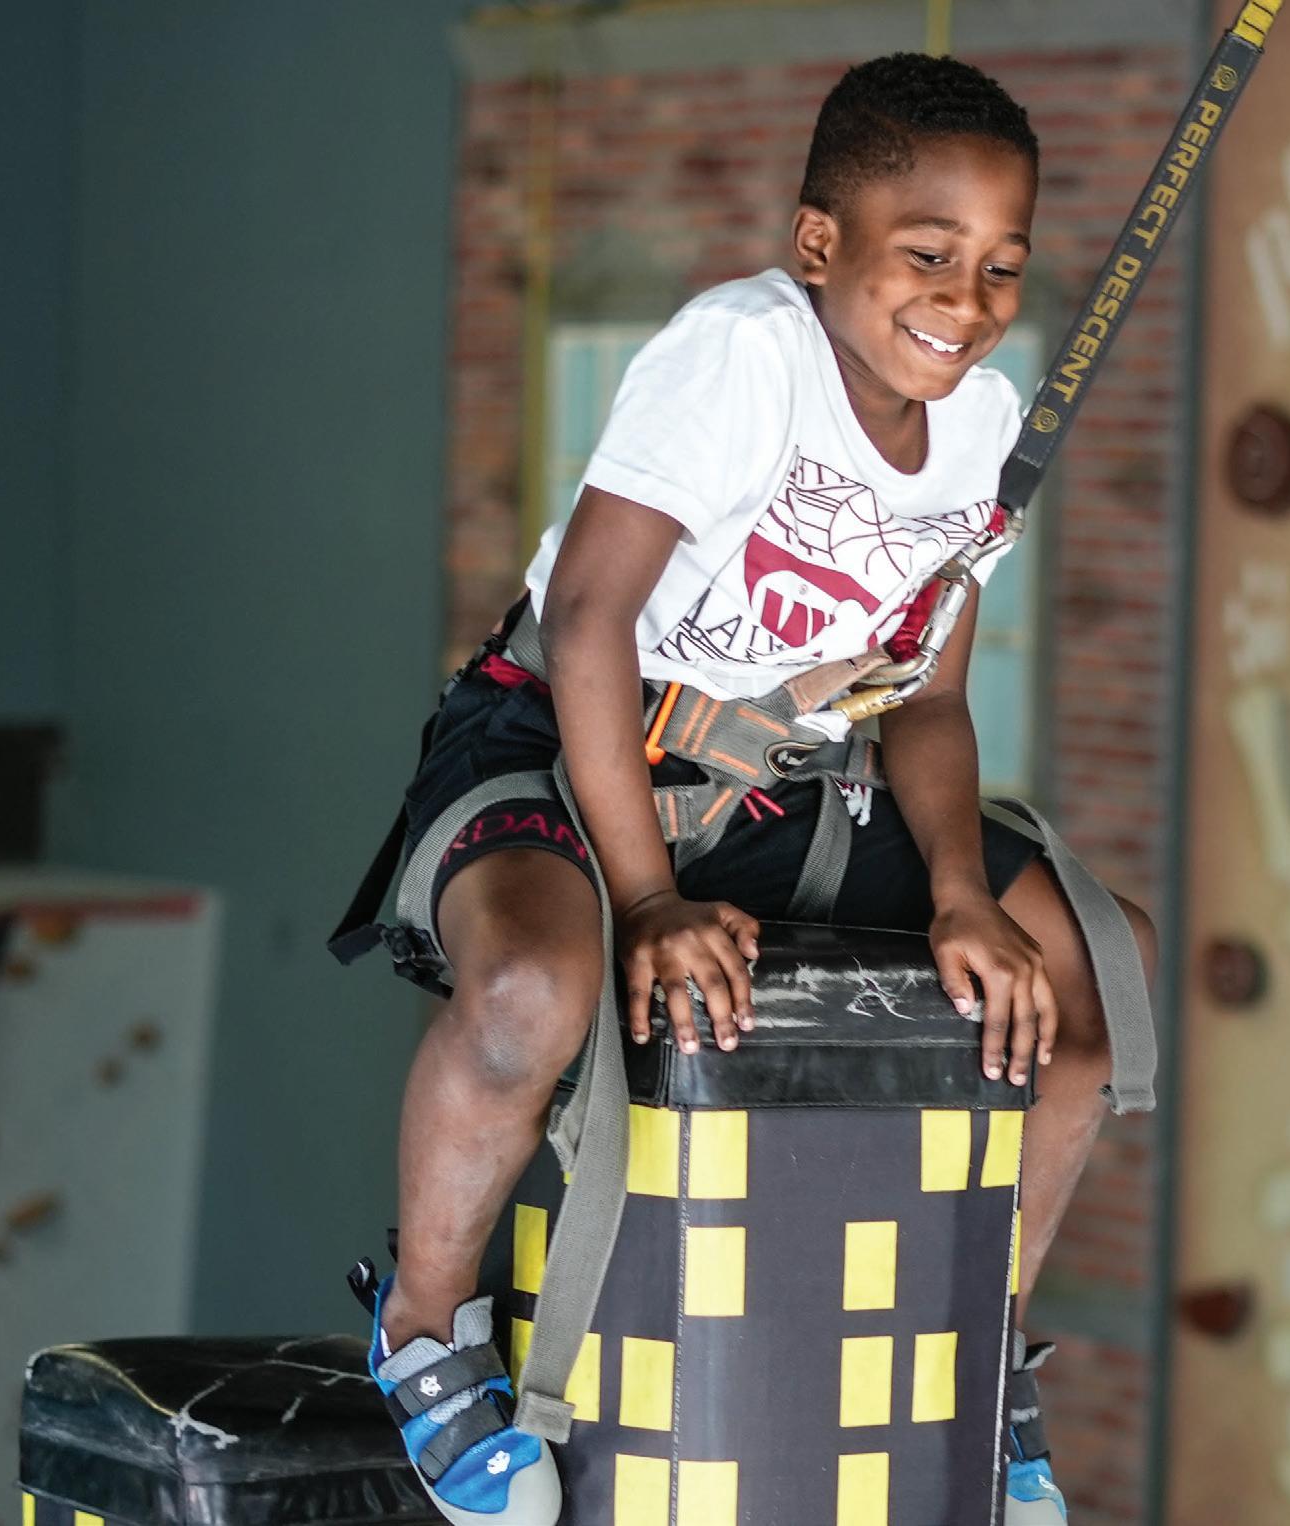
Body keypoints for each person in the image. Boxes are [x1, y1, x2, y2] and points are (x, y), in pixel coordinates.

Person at [349, 54, 1148, 1526]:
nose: (967, 301)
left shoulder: (983, 428)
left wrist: (962, 893)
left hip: (789, 779)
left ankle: (980, 1352)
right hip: (567, 734)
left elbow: (928, 696)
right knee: (529, 991)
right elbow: (589, 620)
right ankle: (422, 1331)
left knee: (1088, 981)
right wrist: (647, 895)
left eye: (1000, 266)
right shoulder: (740, 356)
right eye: (928, 255)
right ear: (819, 243)